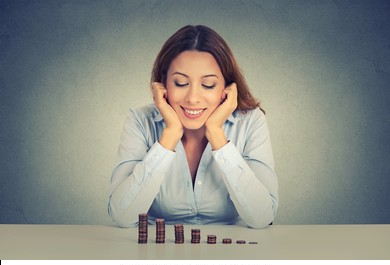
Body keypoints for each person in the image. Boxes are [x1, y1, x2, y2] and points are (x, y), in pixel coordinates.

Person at [108, 25, 278, 229]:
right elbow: (122, 215)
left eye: (208, 85)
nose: (193, 98)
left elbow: (263, 217)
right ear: (163, 84)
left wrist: (216, 134)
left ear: (227, 88)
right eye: (180, 83)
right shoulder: (139, 120)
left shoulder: (251, 121)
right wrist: (169, 136)